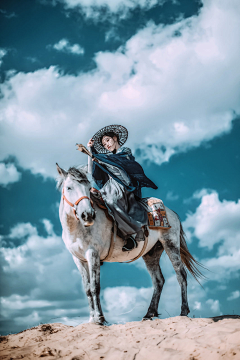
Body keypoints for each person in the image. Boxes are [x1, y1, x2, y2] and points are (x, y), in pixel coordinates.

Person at [87, 125, 157, 251]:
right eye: (103, 144)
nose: (106, 145)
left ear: (115, 138)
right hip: (109, 187)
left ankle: (132, 233)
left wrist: (101, 159)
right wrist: (90, 150)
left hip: (123, 187)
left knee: (111, 201)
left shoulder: (124, 152)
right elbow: (91, 171)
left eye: (107, 140)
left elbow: (120, 166)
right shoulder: (107, 159)